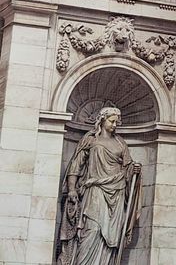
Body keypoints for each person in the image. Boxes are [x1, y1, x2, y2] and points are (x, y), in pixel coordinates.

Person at [57, 106, 141, 265]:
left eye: (117, 122)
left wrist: (134, 169)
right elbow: (76, 165)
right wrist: (72, 188)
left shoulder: (120, 143)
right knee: (92, 229)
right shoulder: (90, 140)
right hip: (94, 188)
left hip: (117, 192)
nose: (115, 125)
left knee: (111, 236)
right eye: (112, 121)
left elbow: (127, 167)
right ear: (102, 120)